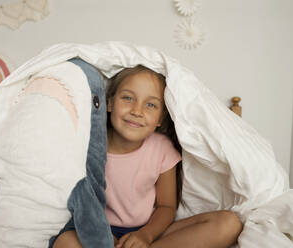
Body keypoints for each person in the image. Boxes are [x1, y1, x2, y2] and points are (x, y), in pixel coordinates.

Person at [53, 65, 243, 248]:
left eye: (150, 104)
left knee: (229, 223)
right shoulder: (91, 145)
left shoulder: (162, 149)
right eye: (128, 98)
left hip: (150, 231)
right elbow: (81, 200)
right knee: (65, 242)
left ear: (160, 118)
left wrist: (145, 235)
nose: (137, 111)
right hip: (100, 231)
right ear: (109, 103)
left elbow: (166, 207)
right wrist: (101, 236)